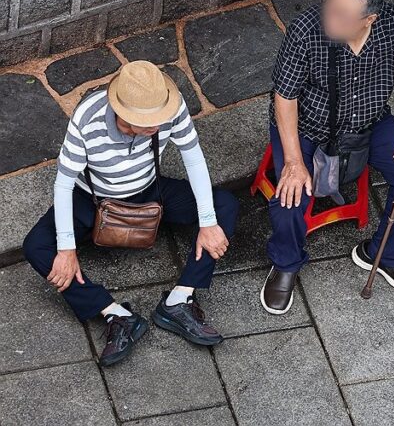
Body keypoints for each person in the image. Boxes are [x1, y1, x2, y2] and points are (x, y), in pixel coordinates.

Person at [22, 61, 239, 366]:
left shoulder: (169, 103)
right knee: (37, 247)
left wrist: (207, 222)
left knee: (224, 206)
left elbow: (194, 159)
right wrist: (67, 248)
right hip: (92, 199)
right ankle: (115, 314)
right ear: (124, 113)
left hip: (150, 192)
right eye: (150, 120)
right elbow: (63, 183)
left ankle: (179, 300)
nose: (160, 123)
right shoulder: (88, 117)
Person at [261, 0, 394, 314]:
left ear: (369, 19)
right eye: (331, 5)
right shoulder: (306, 30)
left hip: (370, 122)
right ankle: (285, 263)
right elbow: (284, 98)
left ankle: (384, 253)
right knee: (289, 195)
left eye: (342, 14)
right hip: (308, 126)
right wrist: (293, 162)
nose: (330, 17)